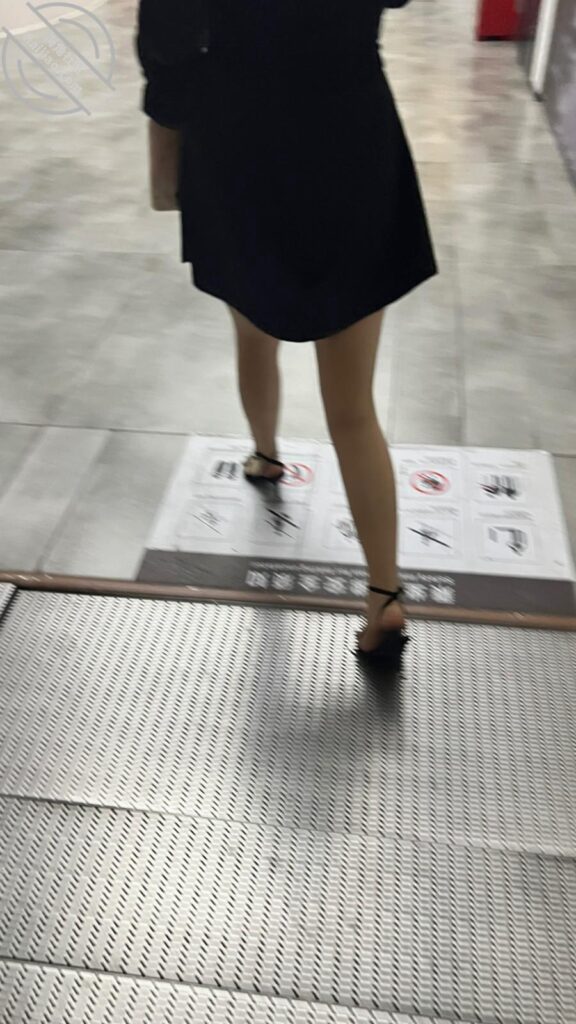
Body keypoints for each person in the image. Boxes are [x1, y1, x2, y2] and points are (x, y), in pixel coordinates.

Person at [136, 0, 437, 668]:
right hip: (352, 128)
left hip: (239, 139)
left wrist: (166, 143)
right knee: (352, 405)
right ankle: (384, 592)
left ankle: (266, 453)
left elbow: (168, 39)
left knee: (252, 332)